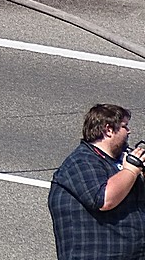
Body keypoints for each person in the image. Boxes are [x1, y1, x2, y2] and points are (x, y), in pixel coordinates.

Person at [49, 104, 145, 260]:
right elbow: (104, 199)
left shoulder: (120, 164)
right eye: (124, 126)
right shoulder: (81, 161)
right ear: (108, 130)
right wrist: (131, 170)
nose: (129, 131)